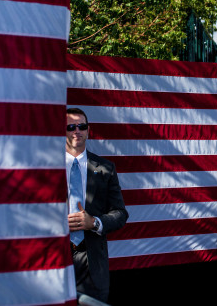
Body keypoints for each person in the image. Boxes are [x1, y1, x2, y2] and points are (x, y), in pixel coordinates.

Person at [65, 107, 128, 302]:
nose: (77, 131)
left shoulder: (106, 168)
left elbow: (120, 213)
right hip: (57, 259)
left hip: (92, 263)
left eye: (81, 126)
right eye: (71, 126)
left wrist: (94, 222)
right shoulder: (47, 167)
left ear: (88, 130)